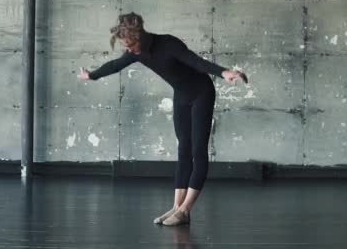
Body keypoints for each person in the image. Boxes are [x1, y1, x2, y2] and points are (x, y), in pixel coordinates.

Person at [77, 12, 246, 226]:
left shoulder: (168, 43)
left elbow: (196, 62)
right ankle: (176, 207)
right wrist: (91, 75)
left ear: (140, 37)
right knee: (183, 148)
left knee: (197, 150)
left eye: (130, 45)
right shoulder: (137, 52)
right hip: (182, 96)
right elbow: (115, 65)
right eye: (126, 47)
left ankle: (186, 209)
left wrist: (223, 72)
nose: (129, 50)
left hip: (202, 92)